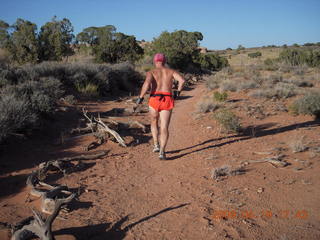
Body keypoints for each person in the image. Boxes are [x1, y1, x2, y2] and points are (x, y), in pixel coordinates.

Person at [136, 53, 185, 160]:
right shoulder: (171, 71)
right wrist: (178, 92)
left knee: (154, 122)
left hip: (154, 99)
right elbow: (182, 80)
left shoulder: (151, 72)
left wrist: (141, 97)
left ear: (155, 61)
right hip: (167, 99)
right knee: (164, 126)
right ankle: (162, 151)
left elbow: (146, 84)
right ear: (164, 61)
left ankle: (156, 144)